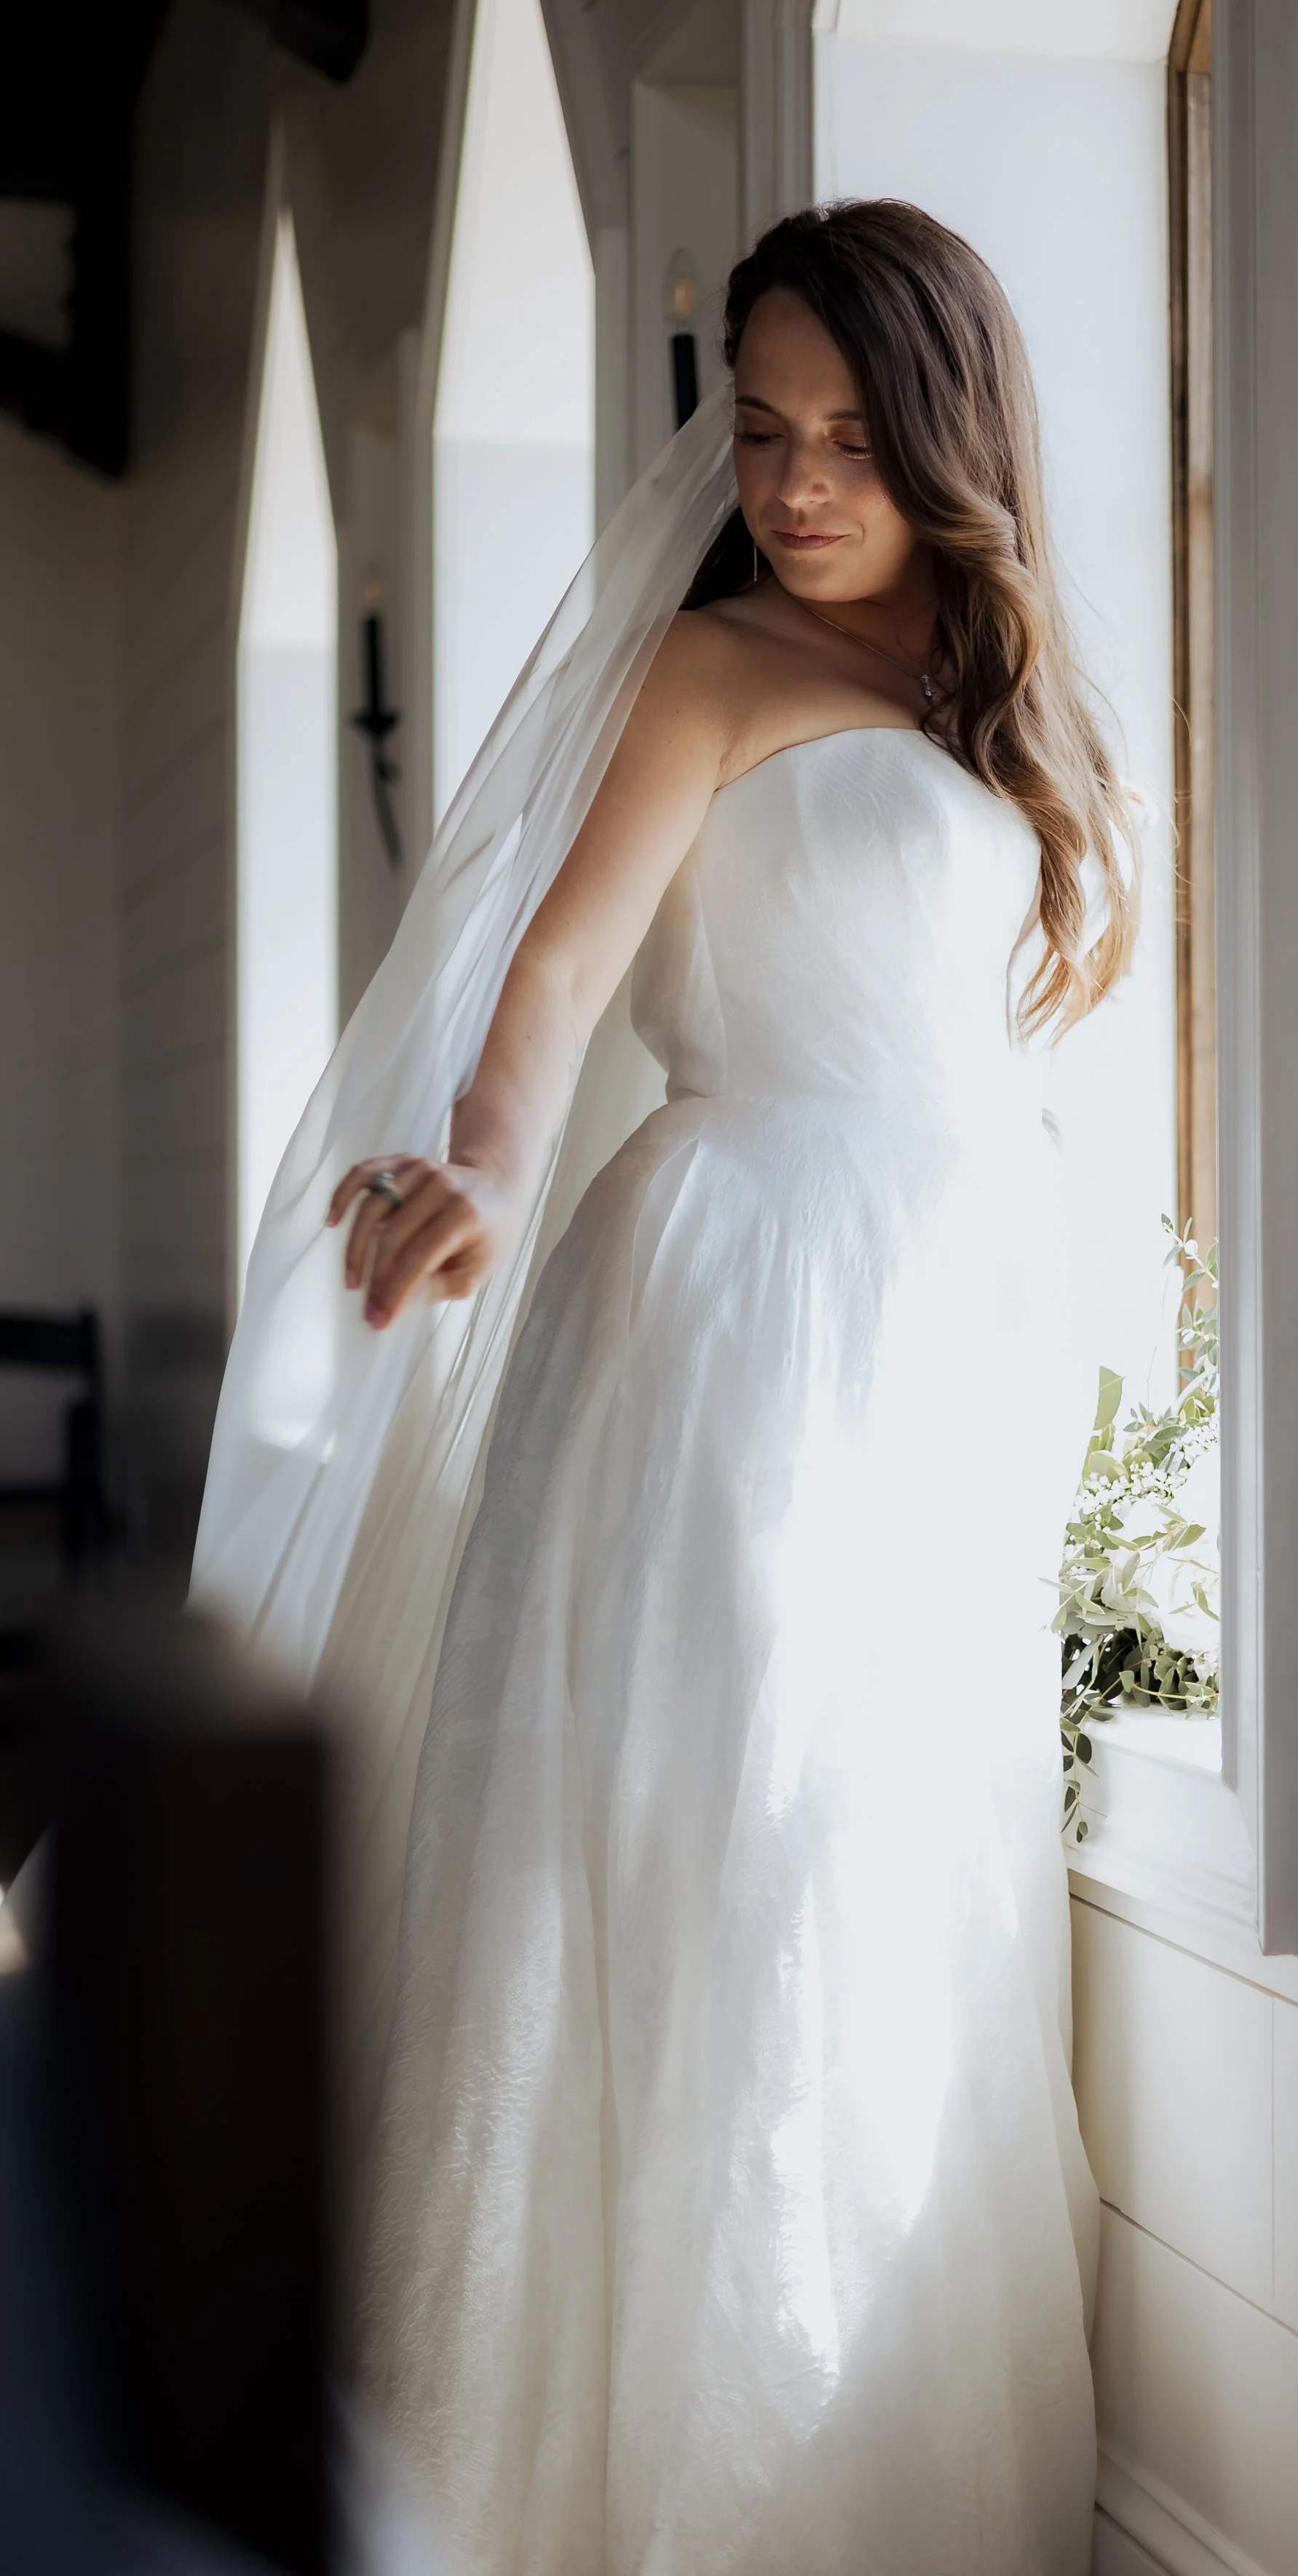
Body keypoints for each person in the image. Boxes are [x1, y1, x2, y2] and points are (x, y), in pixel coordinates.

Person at [206, 202, 1138, 2576]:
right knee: (716, 1850)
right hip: (728, 1312)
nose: (799, 482)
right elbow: (554, 973)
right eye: (760, 431)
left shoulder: (988, 683)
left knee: (881, 1879)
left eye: (849, 438)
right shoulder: (705, 666)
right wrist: (489, 1175)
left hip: (931, 1349)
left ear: (948, 443)